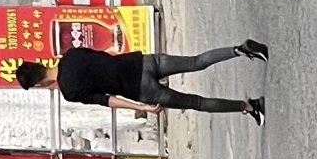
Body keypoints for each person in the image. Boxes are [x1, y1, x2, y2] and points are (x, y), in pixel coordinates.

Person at [15, 36, 268, 122]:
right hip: (142, 62)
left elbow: (108, 100)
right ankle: (240, 50)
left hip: (141, 90)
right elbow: (105, 56)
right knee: (196, 61)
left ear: (38, 84)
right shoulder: (70, 55)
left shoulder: (69, 92)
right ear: (38, 64)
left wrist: (142, 107)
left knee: (197, 103)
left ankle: (249, 107)